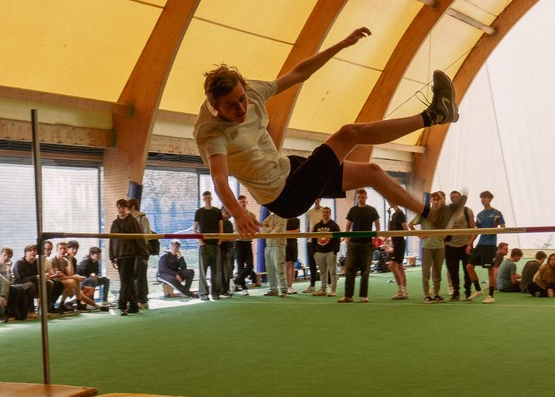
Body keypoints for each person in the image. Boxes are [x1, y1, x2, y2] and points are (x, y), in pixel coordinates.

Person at [194, 27, 460, 240]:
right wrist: (238, 213)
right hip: (284, 195)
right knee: (349, 133)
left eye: (242, 99)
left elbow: (299, 73)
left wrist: (342, 45)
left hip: (288, 168)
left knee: (372, 172)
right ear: (216, 107)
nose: (241, 108)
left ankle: (434, 217)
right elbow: (219, 180)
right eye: (232, 105)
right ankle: (434, 115)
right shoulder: (211, 133)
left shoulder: (251, 91)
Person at [110, 198, 149, 316]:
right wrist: (112, 257)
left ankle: (122, 305)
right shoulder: (115, 223)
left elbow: (139, 238)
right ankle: (133, 305)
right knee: (129, 280)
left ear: (127, 208)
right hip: (119, 255)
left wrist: (144, 254)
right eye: (119, 207)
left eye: (123, 207)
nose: (121, 210)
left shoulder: (132, 221)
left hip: (130, 255)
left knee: (125, 281)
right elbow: (111, 241)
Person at [340, 189, 380, 303]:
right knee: (349, 270)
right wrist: (347, 238)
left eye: (362, 197)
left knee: (365, 271)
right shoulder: (353, 210)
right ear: (357, 198)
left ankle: (363, 296)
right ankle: (348, 296)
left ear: (366, 198)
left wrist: (374, 240)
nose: (361, 199)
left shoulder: (372, 210)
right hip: (353, 244)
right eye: (359, 197)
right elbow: (348, 226)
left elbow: (377, 227)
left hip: (366, 244)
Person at [471, 190, 504, 303]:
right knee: (469, 266)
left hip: (490, 245)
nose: (483, 199)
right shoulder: (480, 215)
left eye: (485, 197)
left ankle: (491, 295)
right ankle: (478, 290)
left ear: (490, 199)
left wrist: (496, 228)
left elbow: (503, 227)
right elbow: (477, 231)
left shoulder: (497, 213)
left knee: (490, 270)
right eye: (482, 198)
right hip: (480, 244)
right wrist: (470, 244)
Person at [443, 190, 475, 301]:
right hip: (451, 246)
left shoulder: (467, 211)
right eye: (452, 198)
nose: (454, 199)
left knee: (468, 270)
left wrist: (470, 244)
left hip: (465, 245)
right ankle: (455, 292)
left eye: (456, 197)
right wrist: (444, 242)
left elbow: (473, 229)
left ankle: (468, 292)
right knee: (453, 271)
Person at [193, 191, 224, 301]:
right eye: (205, 198)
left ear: (211, 198)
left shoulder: (217, 211)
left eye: (209, 198)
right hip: (204, 246)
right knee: (203, 271)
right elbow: (195, 229)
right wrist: (200, 241)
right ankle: (203, 293)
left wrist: (219, 241)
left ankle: (215, 292)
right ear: (203, 199)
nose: (207, 199)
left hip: (215, 245)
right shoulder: (199, 212)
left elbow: (221, 228)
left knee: (216, 271)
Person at [232, 195, 260, 295]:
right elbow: (239, 229)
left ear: (246, 202)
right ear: (238, 204)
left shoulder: (251, 215)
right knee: (240, 266)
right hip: (238, 243)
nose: (243, 204)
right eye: (240, 202)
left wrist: (254, 229)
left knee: (250, 266)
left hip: (248, 242)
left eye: (244, 202)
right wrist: (249, 230)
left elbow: (256, 228)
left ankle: (236, 281)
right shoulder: (236, 215)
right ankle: (243, 288)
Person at [10, 245, 48, 319]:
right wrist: (36, 277)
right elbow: (21, 279)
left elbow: (40, 275)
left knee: (48, 283)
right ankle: (30, 311)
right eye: (30, 251)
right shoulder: (19, 263)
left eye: (34, 250)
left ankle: (43, 310)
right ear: (25, 253)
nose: (32, 252)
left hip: (32, 283)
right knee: (30, 285)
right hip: (19, 285)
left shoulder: (37, 262)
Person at [310, 206, 340, 296]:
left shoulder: (334, 226)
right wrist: (314, 251)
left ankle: (333, 290)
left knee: (332, 271)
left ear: (330, 214)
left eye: (327, 212)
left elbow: (337, 239)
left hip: (330, 252)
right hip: (319, 252)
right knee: (322, 272)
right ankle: (323, 289)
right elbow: (313, 239)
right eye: (324, 212)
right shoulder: (317, 226)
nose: (325, 213)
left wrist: (335, 251)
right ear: (322, 213)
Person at [130, 200, 154, 309]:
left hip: (142, 251)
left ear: (133, 207)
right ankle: (136, 299)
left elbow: (148, 235)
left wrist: (143, 248)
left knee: (141, 276)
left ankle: (143, 300)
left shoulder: (142, 218)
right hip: (132, 251)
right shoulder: (130, 219)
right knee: (134, 276)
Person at [387, 200, 409, 300]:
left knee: (392, 266)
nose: (389, 202)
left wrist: (399, 237)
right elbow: (389, 230)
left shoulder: (400, 213)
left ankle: (401, 290)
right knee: (399, 267)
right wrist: (388, 216)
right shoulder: (394, 214)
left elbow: (405, 229)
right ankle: (404, 290)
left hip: (399, 242)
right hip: (395, 242)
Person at [262, 212, 288, 297]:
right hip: (268, 245)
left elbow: (276, 232)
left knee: (279, 269)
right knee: (270, 270)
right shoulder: (270, 217)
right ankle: (273, 289)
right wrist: (271, 228)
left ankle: (283, 289)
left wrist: (268, 229)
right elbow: (262, 230)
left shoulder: (283, 217)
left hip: (278, 245)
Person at [303, 199, 325, 293]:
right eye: (315, 198)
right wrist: (308, 237)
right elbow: (308, 226)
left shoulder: (324, 211)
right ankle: (312, 285)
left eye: (318, 198)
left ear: (320, 199)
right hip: (311, 241)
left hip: (321, 241)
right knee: (312, 264)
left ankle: (325, 285)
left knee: (323, 264)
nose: (316, 200)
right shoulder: (309, 212)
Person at [220, 209, 236, 298]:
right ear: (225, 212)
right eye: (229, 214)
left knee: (229, 270)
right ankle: (222, 290)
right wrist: (228, 239)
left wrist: (229, 239)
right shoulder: (219, 222)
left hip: (228, 248)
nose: (230, 216)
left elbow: (231, 237)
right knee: (223, 271)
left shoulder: (229, 223)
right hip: (221, 249)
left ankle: (226, 289)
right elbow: (220, 238)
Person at [284, 215, 300, 294]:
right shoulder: (283, 219)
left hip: (293, 243)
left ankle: (290, 285)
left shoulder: (296, 220)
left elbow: (297, 232)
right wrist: (292, 232)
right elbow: (281, 231)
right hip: (284, 243)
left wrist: (286, 232)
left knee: (292, 265)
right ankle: (286, 285)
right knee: (287, 264)